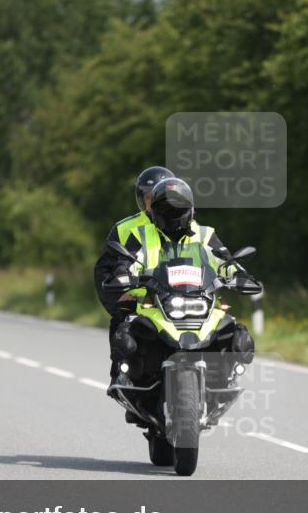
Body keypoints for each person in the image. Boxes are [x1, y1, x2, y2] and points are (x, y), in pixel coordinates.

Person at [93, 176, 256, 418]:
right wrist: (123, 278)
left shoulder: (204, 234)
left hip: (200, 299)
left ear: (190, 209)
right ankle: (127, 375)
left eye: (178, 208)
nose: (172, 212)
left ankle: (225, 376)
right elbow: (125, 263)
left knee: (233, 329)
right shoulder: (140, 234)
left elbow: (224, 259)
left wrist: (240, 276)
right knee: (126, 333)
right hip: (155, 301)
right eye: (165, 207)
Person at [93, 166, 175, 379]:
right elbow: (104, 269)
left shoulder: (186, 224)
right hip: (141, 300)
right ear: (141, 199)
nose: (151, 203)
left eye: (157, 197)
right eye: (147, 197)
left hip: (179, 297)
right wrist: (118, 301)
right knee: (122, 323)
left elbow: (208, 256)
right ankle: (121, 373)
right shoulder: (125, 228)